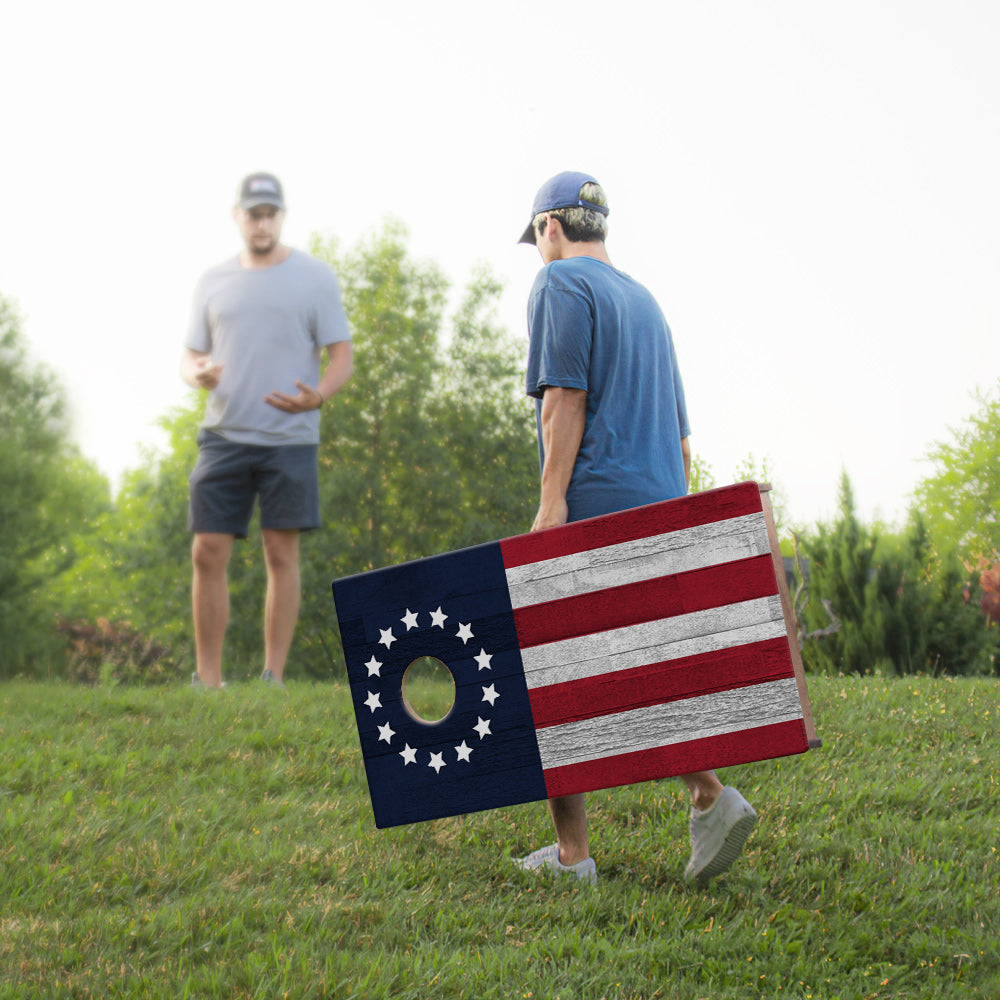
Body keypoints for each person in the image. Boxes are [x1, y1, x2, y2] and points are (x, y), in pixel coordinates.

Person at [513, 171, 757, 886]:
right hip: (661, 499)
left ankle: (573, 857)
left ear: (551, 227)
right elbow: (682, 439)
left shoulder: (561, 285)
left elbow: (565, 397)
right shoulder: (648, 304)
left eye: (534, 236)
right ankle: (710, 796)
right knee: (636, 668)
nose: (536, 249)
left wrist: (552, 502)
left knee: (555, 674)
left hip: (595, 496)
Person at [181, 172, 353, 689]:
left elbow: (342, 355)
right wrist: (198, 373)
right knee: (206, 550)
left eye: (270, 213)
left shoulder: (315, 277)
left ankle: (272, 676)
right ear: (238, 216)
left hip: (289, 438)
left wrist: (318, 395)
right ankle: (208, 679)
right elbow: (190, 355)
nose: (261, 222)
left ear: (281, 216)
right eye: (253, 213)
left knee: (281, 552)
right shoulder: (211, 280)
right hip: (223, 436)